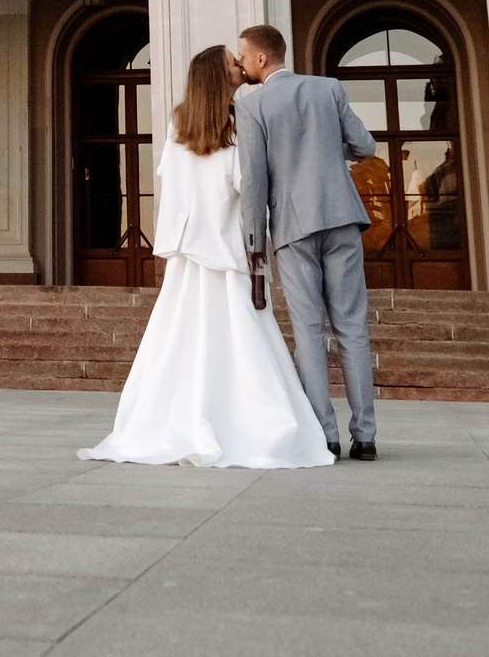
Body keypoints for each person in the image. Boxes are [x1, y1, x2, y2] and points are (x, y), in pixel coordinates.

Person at [79, 44, 335, 470]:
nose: (240, 66)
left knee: (180, 336)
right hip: (227, 247)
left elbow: (170, 178)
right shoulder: (239, 122)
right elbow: (244, 183)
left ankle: (175, 420)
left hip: (188, 249)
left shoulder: (179, 122)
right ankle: (250, 424)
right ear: (220, 78)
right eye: (233, 64)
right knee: (242, 338)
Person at [235, 22, 380, 460]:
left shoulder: (252, 106)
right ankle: (367, 436)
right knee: (352, 326)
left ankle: (326, 435)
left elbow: (254, 181)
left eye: (243, 55)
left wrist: (253, 240)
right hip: (341, 217)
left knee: (309, 331)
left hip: (293, 228)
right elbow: (366, 146)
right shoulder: (329, 89)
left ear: (262, 59)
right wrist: (333, 153)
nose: (240, 63)